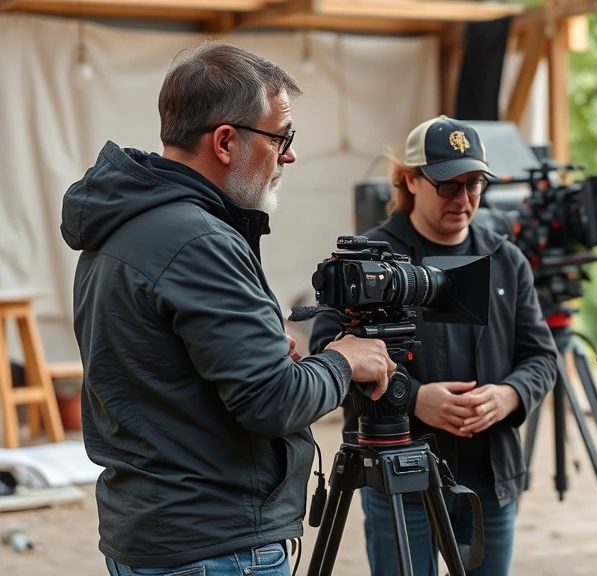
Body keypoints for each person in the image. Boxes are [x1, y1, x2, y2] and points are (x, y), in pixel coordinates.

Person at [59, 41, 396, 576]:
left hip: (152, 534)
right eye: (281, 136)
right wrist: (344, 360)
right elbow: (271, 402)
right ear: (224, 141)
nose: (289, 154)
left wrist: (261, 354)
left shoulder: (119, 226)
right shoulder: (197, 241)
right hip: (216, 547)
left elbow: (160, 375)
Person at [310, 115, 558, 576]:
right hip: (396, 470)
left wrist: (508, 397)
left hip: (490, 473)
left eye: (474, 184)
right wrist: (415, 398)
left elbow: (542, 356)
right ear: (410, 180)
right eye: (448, 185)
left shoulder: (507, 259)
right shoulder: (365, 262)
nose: (463, 200)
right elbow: (329, 349)